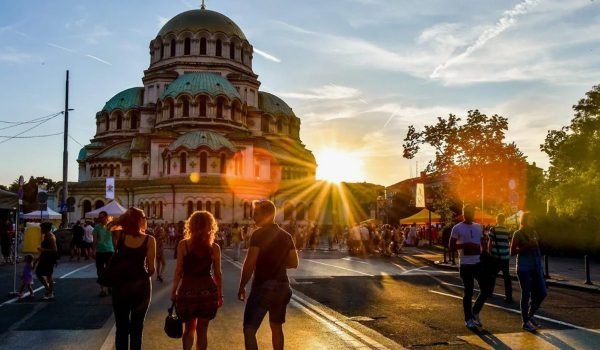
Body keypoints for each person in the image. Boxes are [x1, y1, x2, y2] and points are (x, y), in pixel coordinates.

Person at [238, 200, 299, 350]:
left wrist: (242, 286)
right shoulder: (286, 236)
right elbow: (294, 262)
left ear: (266, 215)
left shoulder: (258, 235)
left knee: (249, 330)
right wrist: (277, 261)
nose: (253, 217)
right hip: (283, 286)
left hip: (263, 286)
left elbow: (250, 262)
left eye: (256, 214)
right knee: (276, 327)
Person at [171, 211, 223, 350]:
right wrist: (219, 294)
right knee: (202, 332)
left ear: (191, 226)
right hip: (208, 291)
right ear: (210, 226)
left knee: (189, 329)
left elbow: (178, 271)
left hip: (188, 291)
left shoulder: (184, 245)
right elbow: (218, 274)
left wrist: (174, 291)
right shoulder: (214, 247)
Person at [109, 207, 156, 350]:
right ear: (140, 220)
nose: (146, 220)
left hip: (120, 286)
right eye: (145, 218)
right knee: (137, 327)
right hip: (141, 286)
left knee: (121, 327)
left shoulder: (120, 237)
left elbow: (116, 249)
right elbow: (151, 267)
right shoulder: (149, 239)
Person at [449, 204, 492, 329]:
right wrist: (465, 245)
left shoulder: (478, 227)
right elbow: (451, 246)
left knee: (486, 289)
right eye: (468, 212)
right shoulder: (457, 228)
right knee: (469, 292)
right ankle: (468, 319)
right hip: (466, 264)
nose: (471, 214)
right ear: (463, 213)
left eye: (472, 212)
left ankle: (475, 312)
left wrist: (484, 247)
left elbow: (481, 243)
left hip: (478, 263)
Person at [510, 212, 547, 332]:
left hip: (536, 267)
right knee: (526, 294)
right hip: (524, 268)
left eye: (533, 219)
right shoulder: (518, 233)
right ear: (524, 220)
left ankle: (530, 315)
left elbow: (537, 250)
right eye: (530, 219)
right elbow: (512, 252)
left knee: (542, 292)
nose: (533, 221)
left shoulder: (534, 233)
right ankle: (525, 321)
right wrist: (526, 247)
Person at [489, 213, 513, 303]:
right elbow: (510, 243)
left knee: (492, 275)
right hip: (505, 257)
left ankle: (489, 292)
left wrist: (490, 253)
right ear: (504, 220)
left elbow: (490, 243)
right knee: (507, 277)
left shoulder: (493, 229)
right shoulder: (508, 230)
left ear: (497, 220)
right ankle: (509, 296)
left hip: (495, 256)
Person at [93, 212, 114, 297]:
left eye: (102, 217)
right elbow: (94, 240)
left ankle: (109, 286)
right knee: (100, 271)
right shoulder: (97, 227)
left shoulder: (111, 227)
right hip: (100, 251)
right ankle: (102, 290)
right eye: (99, 217)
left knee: (110, 270)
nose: (100, 219)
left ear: (106, 217)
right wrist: (93, 250)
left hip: (110, 250)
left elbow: (115, 238)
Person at [35, 222, 58, 300]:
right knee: (38, 272)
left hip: (49, 259)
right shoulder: (46, 236)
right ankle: (48, 289)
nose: (41, 230)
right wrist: (37, 259)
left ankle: (50, 293)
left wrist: (43, 249)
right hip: (44, 257)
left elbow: (55, 250)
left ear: (46, 229)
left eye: (42, 228)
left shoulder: (51, 237)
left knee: (48, 276)